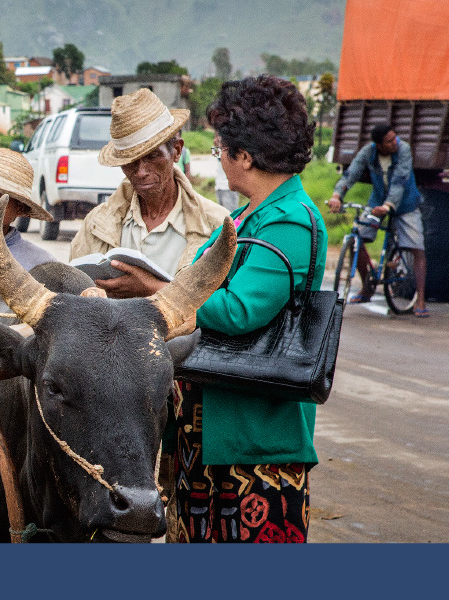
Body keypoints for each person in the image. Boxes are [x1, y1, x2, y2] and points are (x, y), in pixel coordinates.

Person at [174, 75, 327, 543]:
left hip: (255, 441)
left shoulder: (290, 219)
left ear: (245, 156)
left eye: (221, 146)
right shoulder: (249, 215)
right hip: (213, 430)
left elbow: (242, 310)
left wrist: (167, 294)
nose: (218, 157)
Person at [70, 88, 229, 298]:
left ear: (176, 151)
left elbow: (224, 308)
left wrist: (150, 288)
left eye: (153, 156)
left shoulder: (216, 225)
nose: (141, 172)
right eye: (130, 162)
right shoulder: (97, 224)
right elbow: (72, 294)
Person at [329, 123, 428, 316]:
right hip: (378, 202)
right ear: (379, 145)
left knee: (417, 248)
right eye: (389, 141)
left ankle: (421, 300)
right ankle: (368, 285)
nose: (395, 142)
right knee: (357, 237)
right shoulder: (368, 152)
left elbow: (400, 180)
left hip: (405, 204)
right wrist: (337, 195)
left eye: (394, 138)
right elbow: (352, 173)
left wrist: (389, 205)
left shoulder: (404, 149)